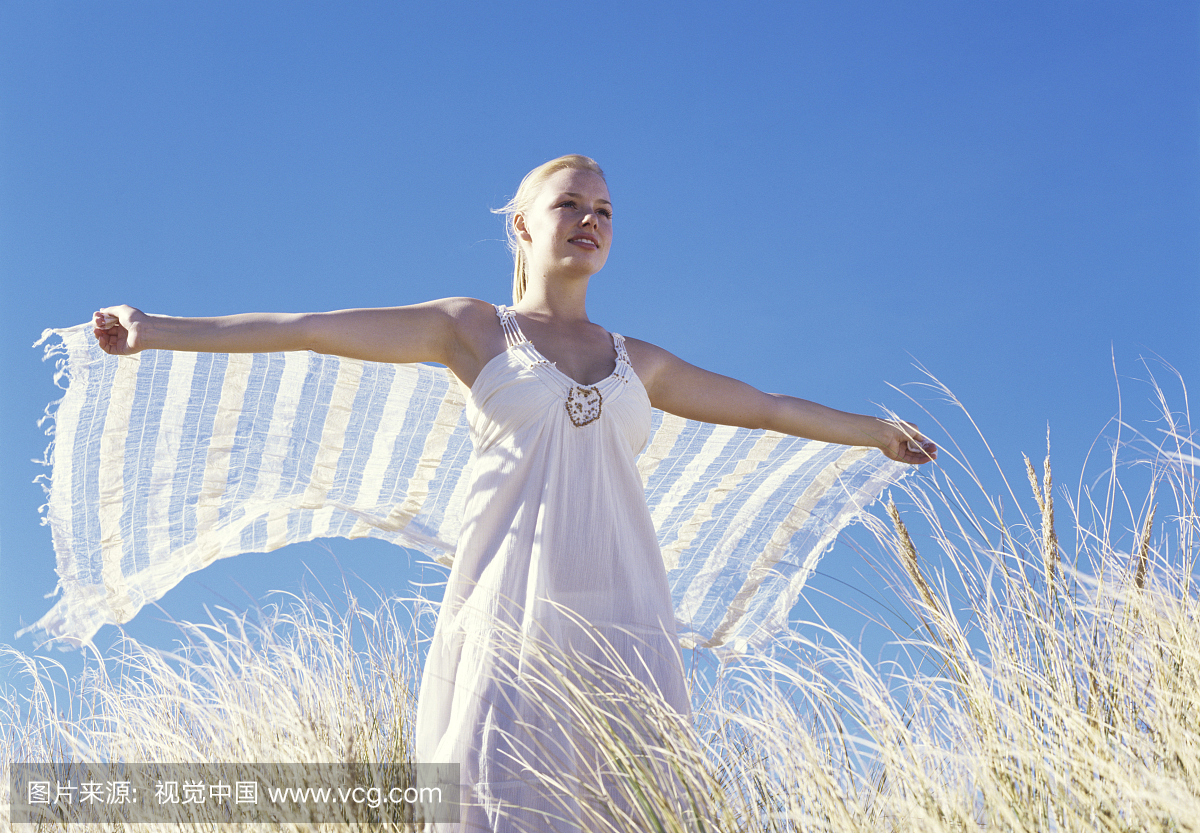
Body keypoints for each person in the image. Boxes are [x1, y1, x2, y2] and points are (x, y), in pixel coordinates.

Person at [92, 154, 936, 831]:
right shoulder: (470, 327)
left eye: (605, 211)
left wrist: (872, 430)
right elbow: (307, 327)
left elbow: (765, 406)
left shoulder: (636, 359)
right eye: (572, 204)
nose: (593, 221)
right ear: (523, 224)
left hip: (625, 618)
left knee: (635, 801)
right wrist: (156, 329)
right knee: (495, 797)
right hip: (507, 613)